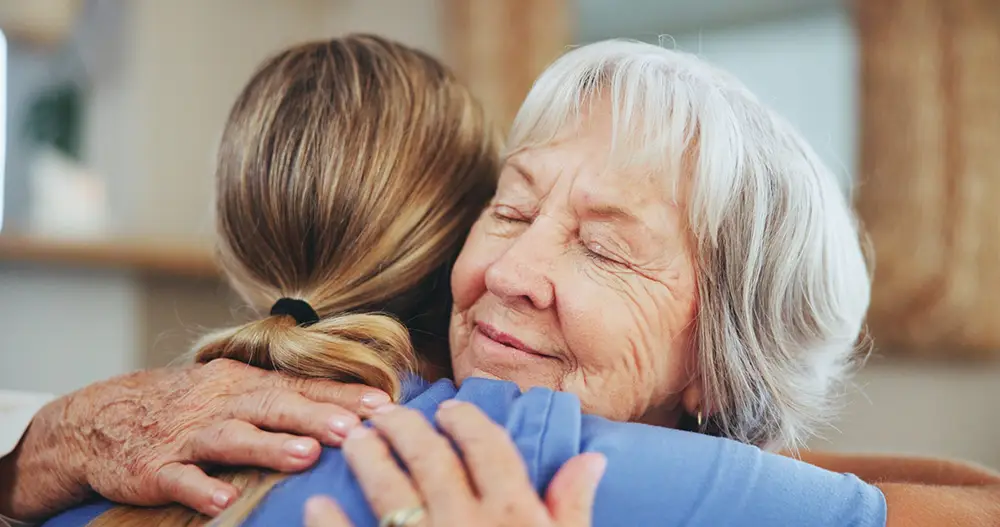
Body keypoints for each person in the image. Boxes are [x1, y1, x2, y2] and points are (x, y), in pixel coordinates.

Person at [3, 35, 998, 527]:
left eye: (603, 246)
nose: (508, 272)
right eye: (511, 210)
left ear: (722, 361)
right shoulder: (514, 453)